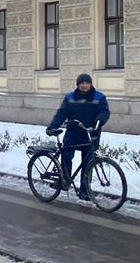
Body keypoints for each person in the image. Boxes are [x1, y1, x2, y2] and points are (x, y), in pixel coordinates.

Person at [46, 73, 110, 201]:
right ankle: (64, 181)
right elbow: (62, 113)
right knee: (66, 157)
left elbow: (104, 111)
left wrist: (99, 120)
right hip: (73, 133)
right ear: (78, 84)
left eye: (87, 83)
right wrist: (52, 126)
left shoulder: (99, 97)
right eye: (82, 83)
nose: (84, 85)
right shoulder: (70, 97)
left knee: (88, 164)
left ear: (91, 84)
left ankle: (84, 191)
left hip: (90, 134)